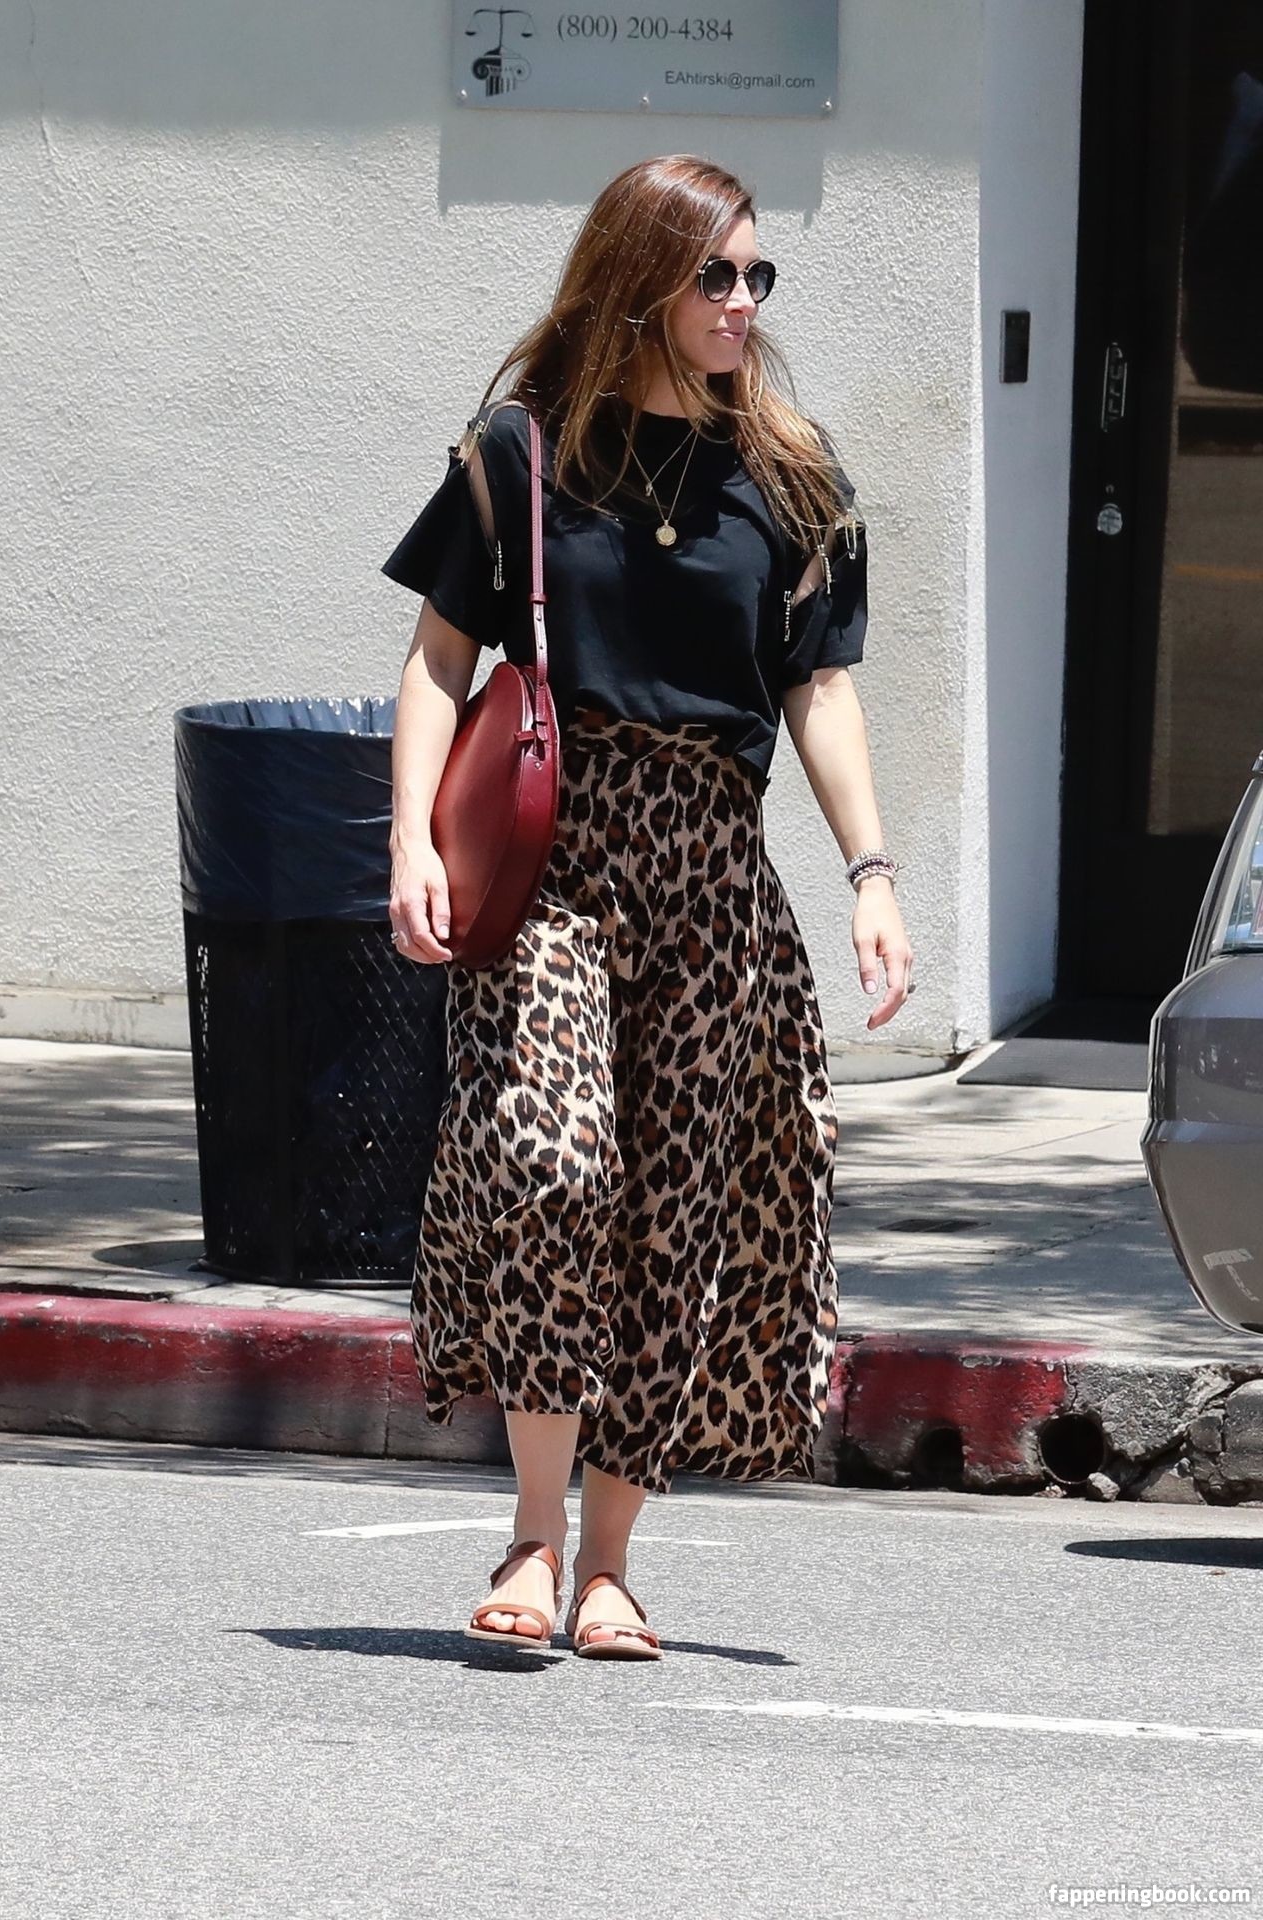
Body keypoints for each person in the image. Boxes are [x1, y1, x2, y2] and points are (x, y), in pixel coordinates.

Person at [379, 154, 914, 1661]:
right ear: (640, 280)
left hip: (713, 874)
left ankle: (610, 1559)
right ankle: (531, 1534)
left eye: (756, 276)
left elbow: (819, 689)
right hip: (554, 858)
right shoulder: (524, 453)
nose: (743, 302)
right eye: (714, 276)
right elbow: (438, 659)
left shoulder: (793, 476)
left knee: (680, 1212)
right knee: (552, 1167)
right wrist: (409, 838)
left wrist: (871, 873)